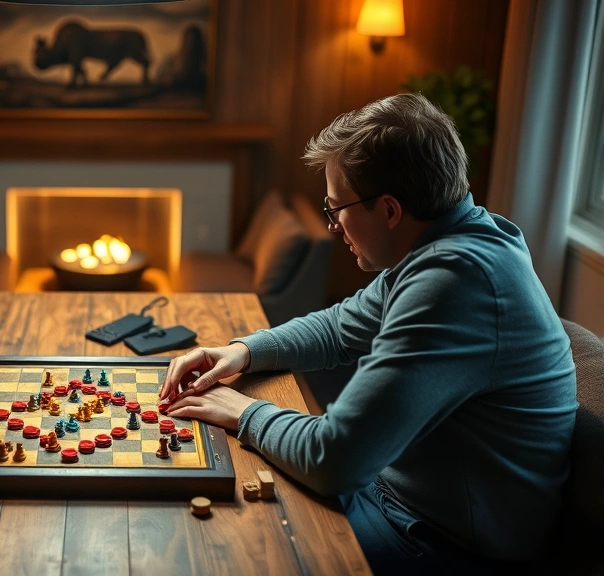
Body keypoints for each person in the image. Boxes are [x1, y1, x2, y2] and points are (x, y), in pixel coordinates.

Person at [159, 93, 577, 573]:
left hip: (440, 544)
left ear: (390, 209)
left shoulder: (455, 283)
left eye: (337, 208)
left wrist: (246, 411)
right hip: (394, 497)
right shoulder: (451, 243)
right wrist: (242, 351)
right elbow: (339, 326)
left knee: (222, 548)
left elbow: (334, 461)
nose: (334, 225)